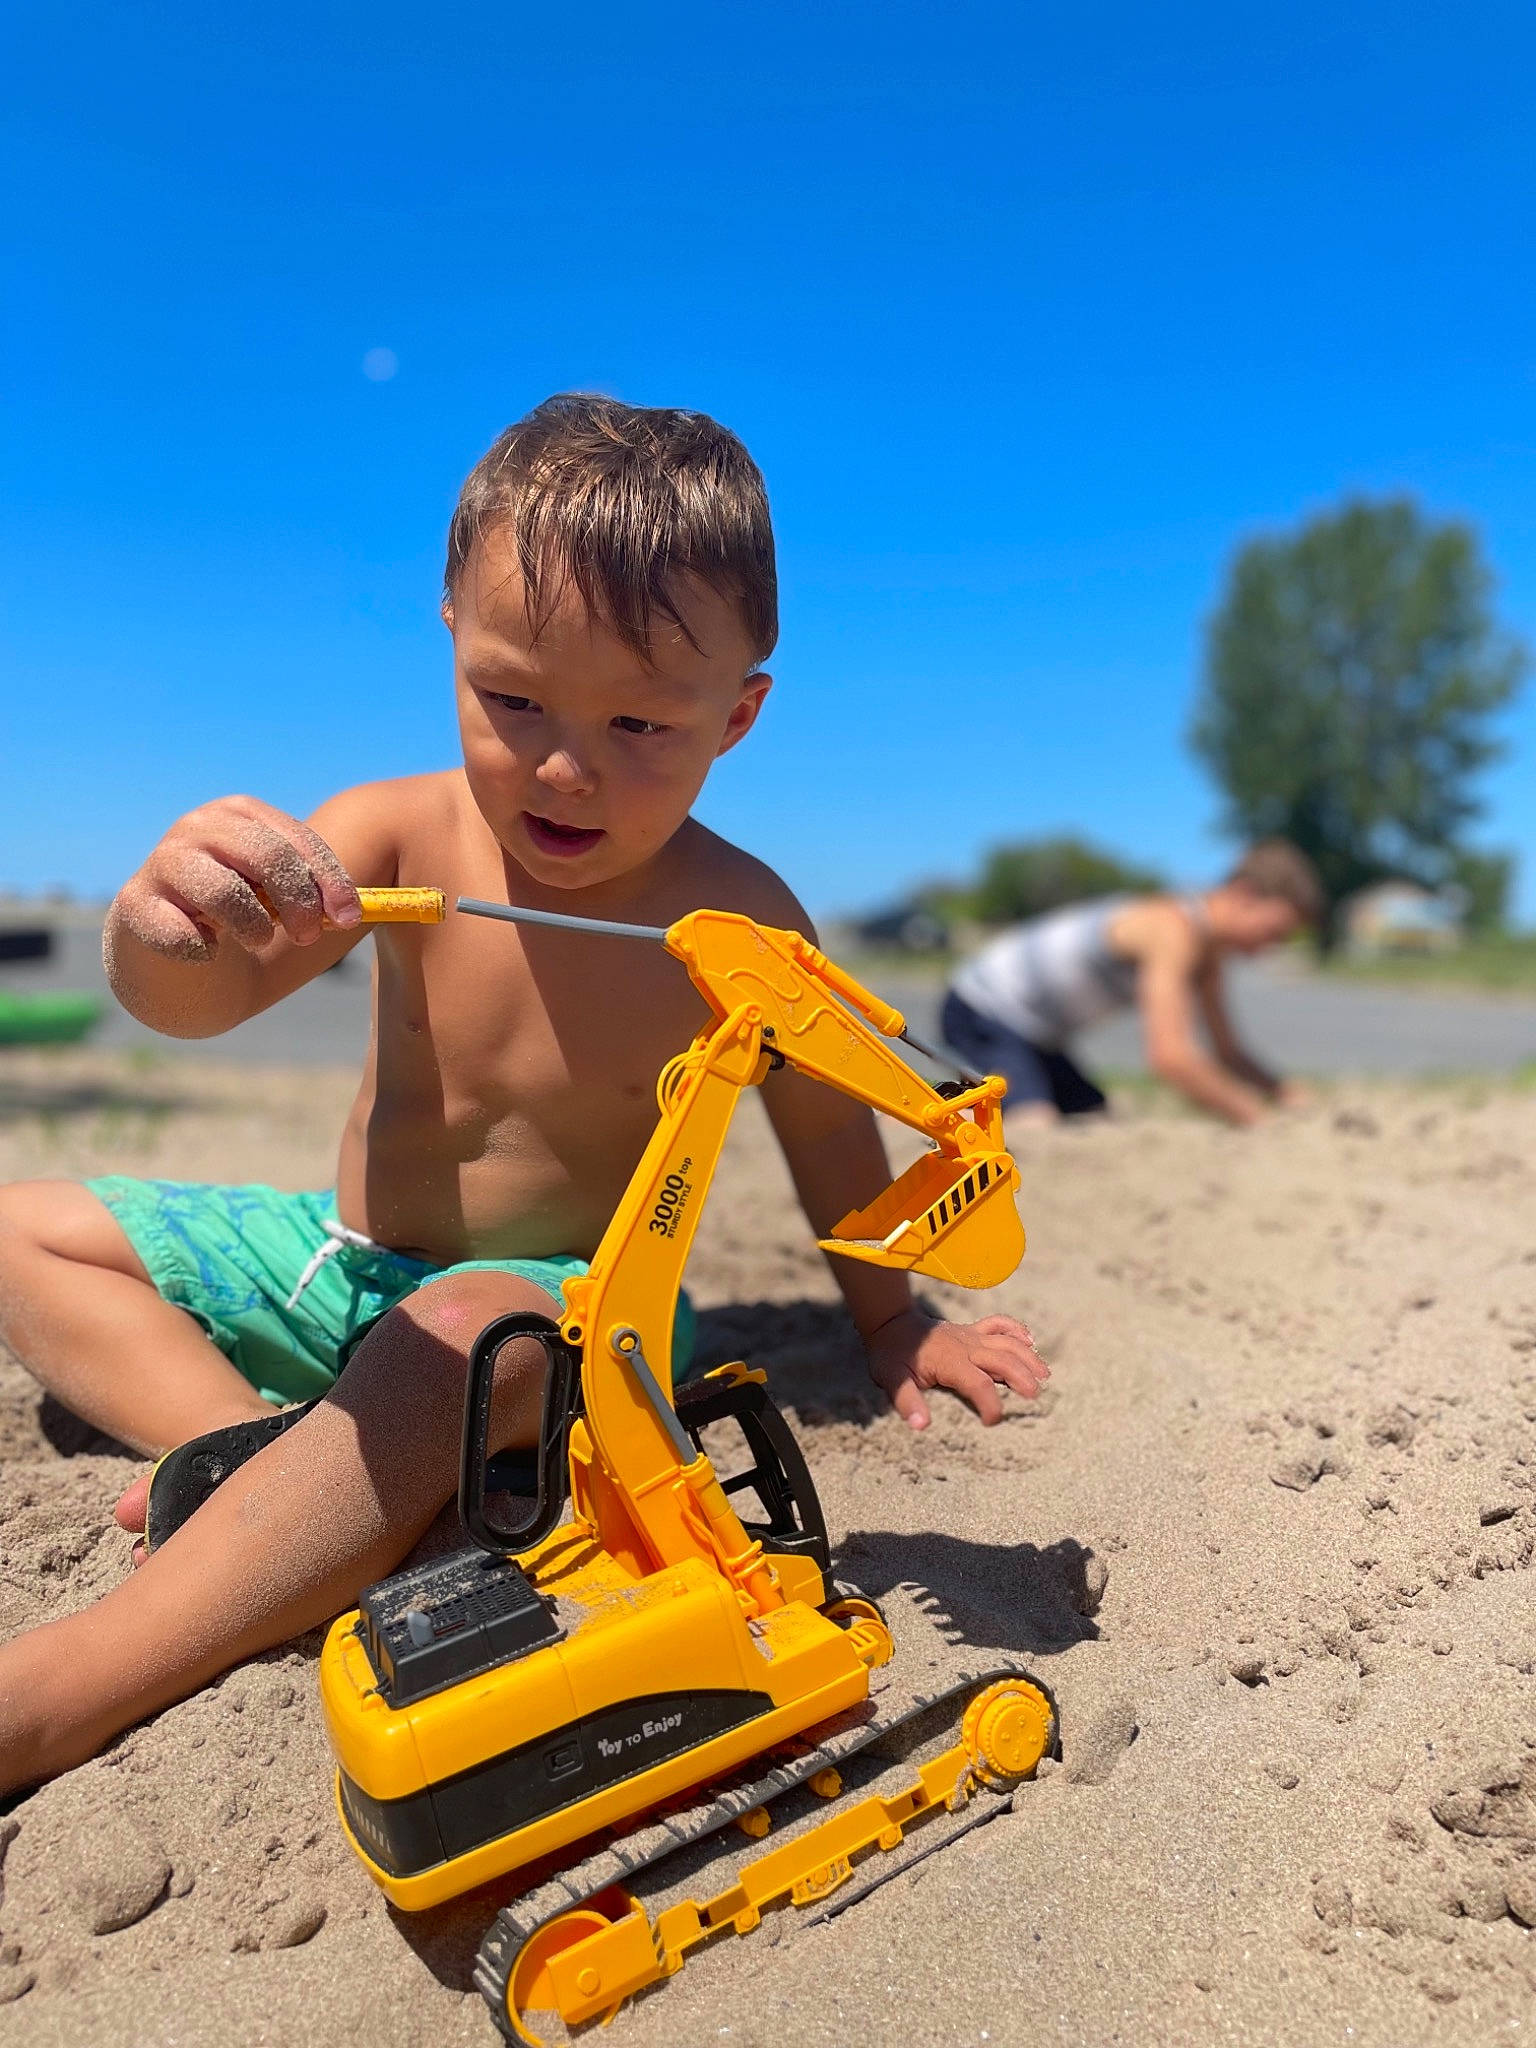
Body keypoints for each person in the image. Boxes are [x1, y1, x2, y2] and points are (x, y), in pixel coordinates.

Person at [0, 395, 1047, 1793]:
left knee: (481, 1320)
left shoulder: (739, 916)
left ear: (735, 715)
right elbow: (196, 1002)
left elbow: (828, 1127)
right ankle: (264, 1473)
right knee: (22, 1226)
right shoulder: (389, 830)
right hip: (342, 1267)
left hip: (563, 1323)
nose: (564, 766)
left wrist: (892, 1320)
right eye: (514, 701)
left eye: (638, 723)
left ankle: (74, 1682)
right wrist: (165, 929)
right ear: (451, 637)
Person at [940, 842, 1324, 1127]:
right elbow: (1170, 1057)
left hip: (1038, 1036)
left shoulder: (1207, 958)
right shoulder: (1171, 930)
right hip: (984, 1008)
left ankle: (952, 1103)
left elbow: (1228, 1052)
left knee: (1095, 1119)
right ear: (1245, 896)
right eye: (1274, 931)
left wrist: (1285, 1092)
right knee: (1034, 1121)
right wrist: (1256, 1118)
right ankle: (926, 1118)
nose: (1268, 948)